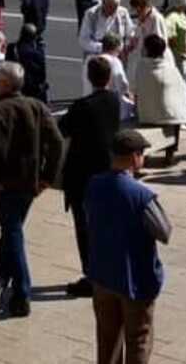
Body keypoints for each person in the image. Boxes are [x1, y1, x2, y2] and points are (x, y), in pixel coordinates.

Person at [0, 61, 65, 319]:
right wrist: (46, 177)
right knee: (12, 231)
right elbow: (56, 143)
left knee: (12, 232)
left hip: (3, 185)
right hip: (28, 184)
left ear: (4, 84)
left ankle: (20, 291)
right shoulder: (36, 108)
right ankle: (0, 281)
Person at [86, 130, 172, 364]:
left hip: (102, 276)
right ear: (135, 157)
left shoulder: (94, 184)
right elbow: (164, 232)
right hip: (135, 280)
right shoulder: (140, 194)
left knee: (107, 340)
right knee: (138, 340)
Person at [61, 56, 124, 296]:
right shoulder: (114, 101)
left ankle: (91, 276)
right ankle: (107, 270)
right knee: (104, 225)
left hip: (82, 175)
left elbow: (63, 129)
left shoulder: (82, 105)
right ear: (109, 78)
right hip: (107, 170)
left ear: (89, 77)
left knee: (84, 227)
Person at [133, 34, 186, 165]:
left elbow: (134, 87)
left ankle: (146, 155)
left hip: (146, 114)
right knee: (176, 112)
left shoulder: (141, 66)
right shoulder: (169, 68)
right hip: (167, 117)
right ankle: (170, 153)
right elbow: (182, 88)